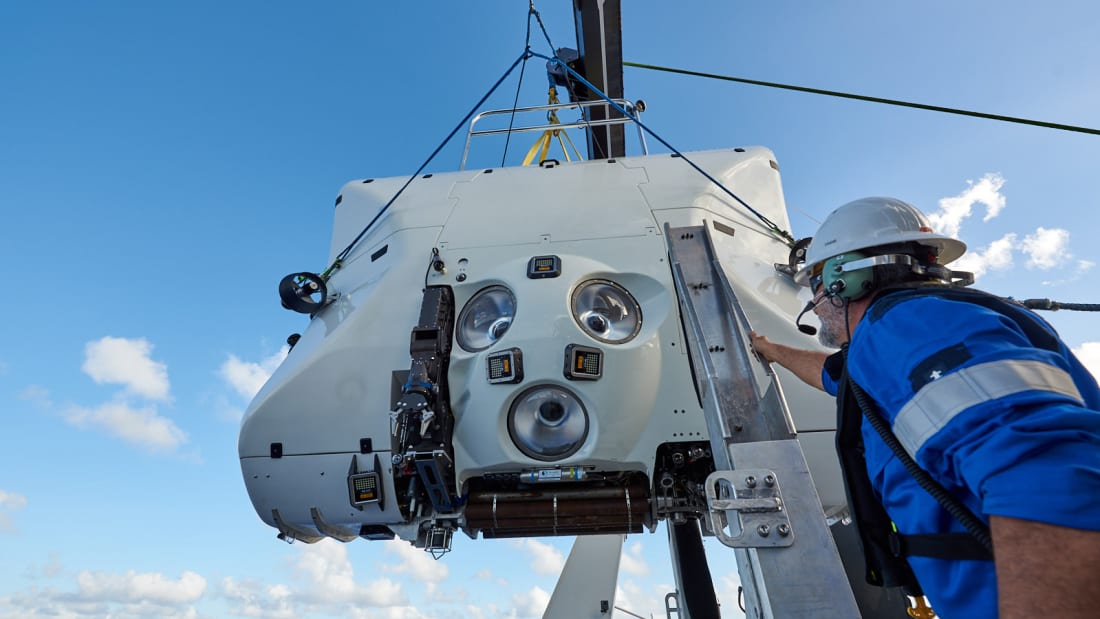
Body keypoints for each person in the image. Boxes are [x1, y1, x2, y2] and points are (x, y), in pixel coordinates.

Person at [750, 197, 1100, 619]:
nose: (815, 304)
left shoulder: (911, 328)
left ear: (845, 279)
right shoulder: (905, 340)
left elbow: (1046, 474)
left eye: (816, 286)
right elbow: (834, 375)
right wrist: (770, 350)